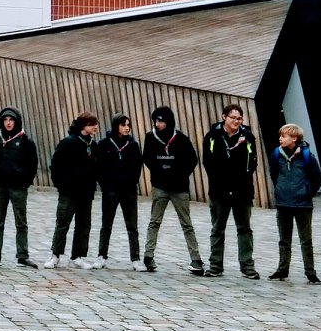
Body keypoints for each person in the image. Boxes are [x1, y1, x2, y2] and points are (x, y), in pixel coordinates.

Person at [141, 105, 204, 275]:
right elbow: (147, 158)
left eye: (160, 120)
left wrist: (178, 172)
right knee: (154, 222)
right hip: (160, 186)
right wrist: (160, 170)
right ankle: (148, 256)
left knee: (186, 223)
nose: (157, 123)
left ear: (168, 121)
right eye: (155, 120)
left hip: (179, 187)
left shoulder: (181, 138)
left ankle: (196, 259)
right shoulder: (150, 137)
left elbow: (192, 159)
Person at [201, 104, 260, 279]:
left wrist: (241, 182)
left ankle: (247, 267)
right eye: (233, 117)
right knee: (218, 229)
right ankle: (215, 266)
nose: (236, 121)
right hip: (219, 192)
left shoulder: (248, 137)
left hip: (243, 192)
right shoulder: (212, 136)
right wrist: (219, 183)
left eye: (239, 118)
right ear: (224, 117)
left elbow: (252, 163)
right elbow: (208, 163)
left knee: (244, 229)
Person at [268, 123, 321, 283]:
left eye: (283, 136)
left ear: (294, 138)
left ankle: (310, 271)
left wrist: (306, 193)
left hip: (302, 204)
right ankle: (282, 269)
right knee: (284, 239)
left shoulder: (307, 156)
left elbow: (317, 178)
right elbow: (274, 173)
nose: (280, 139)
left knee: (306, 240)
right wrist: (280, 189)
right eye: (280, 135)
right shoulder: (277, 154)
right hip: (283, 203)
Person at [0, 106, 38, 267]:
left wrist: (24, 182)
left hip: (18, 188)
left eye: (11, 120)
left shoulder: (25, 141)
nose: (8, 123)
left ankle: (23, 254)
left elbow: (32, 165)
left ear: (17, 121)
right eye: (5, 120)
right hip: (0, 187)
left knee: (21, 223)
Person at [46, 114, 99, 269]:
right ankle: (55, 255)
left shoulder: (93, 145)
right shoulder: (68, 143)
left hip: (86, 193)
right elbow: (55, 165)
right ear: (83, 125)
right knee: (63, 223)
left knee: (84, 225)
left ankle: (78, 256)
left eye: (95, 124)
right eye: (91, 124)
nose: (95, 127)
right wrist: (61, 186)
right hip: (69, 192)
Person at [92, 115, 144, 270]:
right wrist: (106, 184)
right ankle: (101, 256)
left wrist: (131, 182)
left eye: (128, 125)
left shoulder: (133, 145)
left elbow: (137, 167)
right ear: (116, 126)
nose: (127, 127)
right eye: (123, 125)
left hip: (128, 191)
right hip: (111, 191)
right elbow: (99, 167)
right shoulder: (105, 144)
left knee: (132, 226)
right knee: (106, 225)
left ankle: (135, 258)